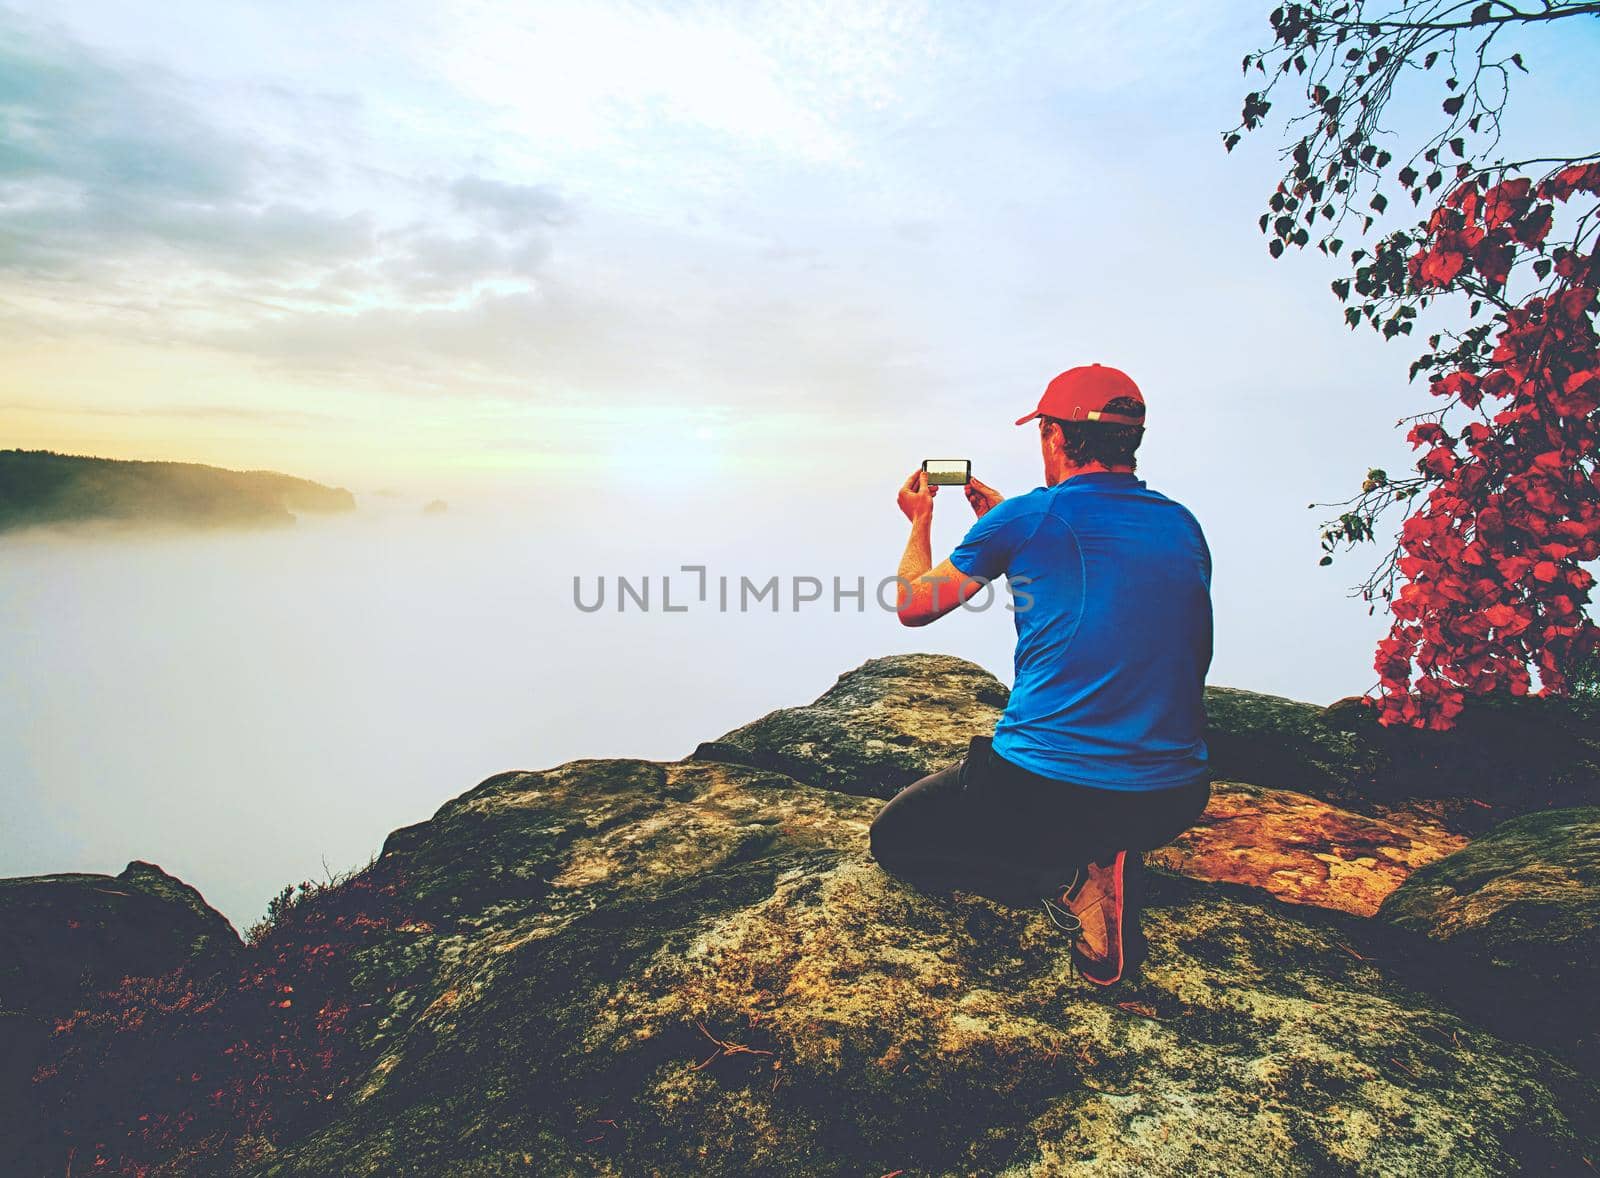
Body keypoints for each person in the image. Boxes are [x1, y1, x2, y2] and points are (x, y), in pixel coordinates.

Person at [869, 363, 1213, 986]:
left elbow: (914, 605)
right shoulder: (1181, 523)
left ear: (1055, 436)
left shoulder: (1028, 519)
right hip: (1174, 796)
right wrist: (1010, 524)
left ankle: (1072, 877)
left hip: (1049, 788)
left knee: (897, 838)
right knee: (1096, 801)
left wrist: (920, 522)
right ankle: (1108, 846)